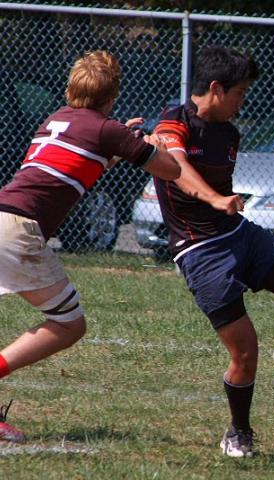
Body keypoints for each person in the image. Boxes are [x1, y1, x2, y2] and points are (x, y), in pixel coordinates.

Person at [153, 46, 274, 458]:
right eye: (240, 93)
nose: (243, 101)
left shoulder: (229, 133)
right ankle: (239, 431)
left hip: (239, 233)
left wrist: (223, 205)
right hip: (200, 250)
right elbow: (176, 167)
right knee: (245, 351)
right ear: (216, 88)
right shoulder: (172, 124)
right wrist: (215, 198)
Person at [0, 50, 180, 442]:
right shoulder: (108, 129)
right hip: (19, 228)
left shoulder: (55, 119)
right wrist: (149, 143)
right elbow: (171, 170)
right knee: (68, 323)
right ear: (112, 96)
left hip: (3, 213)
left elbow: (82, 163)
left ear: (71, 88)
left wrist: (119, 143)